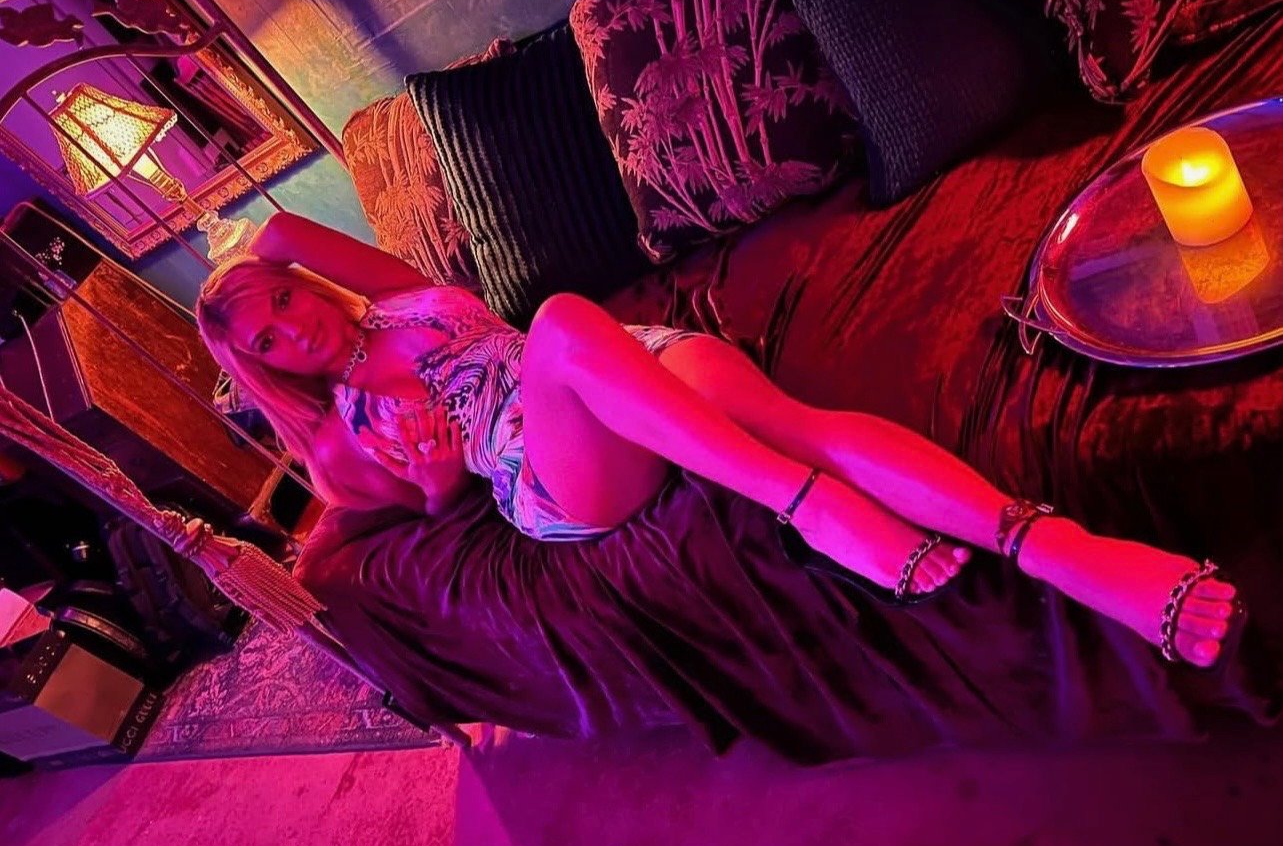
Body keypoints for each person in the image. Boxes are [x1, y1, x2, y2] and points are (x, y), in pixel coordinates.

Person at [195, 212, 1242, 669]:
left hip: (622, 361)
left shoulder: (388, 298)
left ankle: (1067, 552)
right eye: (268, 341)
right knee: (558, 323)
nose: (294, 325)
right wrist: (432, 475)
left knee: (794, 422)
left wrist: (232, 261)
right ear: (266, 368)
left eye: (283, 300)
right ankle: (806, 506)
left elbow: (281, 233)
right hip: (549, 463)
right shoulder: (336, 438)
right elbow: (415, 510)